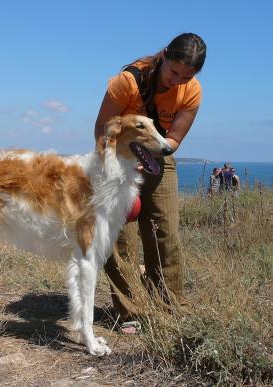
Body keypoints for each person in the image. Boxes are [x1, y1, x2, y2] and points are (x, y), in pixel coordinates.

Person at [94, 33, 206, 329]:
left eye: (186, 76)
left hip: (158, 157)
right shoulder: (127, 82)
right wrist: (114, 168)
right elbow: (103, 131)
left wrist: (148, 160)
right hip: (119, 158)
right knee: (121, 236)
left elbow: (173, 139)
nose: (177, 81)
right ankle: (128, 311)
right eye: (174, 71)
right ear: (164, 55)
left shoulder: (192, 92)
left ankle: (169, 309)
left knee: (164, 232)